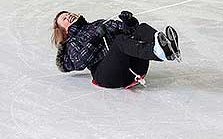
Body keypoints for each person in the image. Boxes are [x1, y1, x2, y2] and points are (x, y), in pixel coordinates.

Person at [52, 10, 180, 88]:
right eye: (64, 18)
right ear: (63, 30)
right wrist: (95, 38)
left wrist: (129, 22)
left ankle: (168, 50)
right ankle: (156, 52)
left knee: (141, 28)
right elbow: (79, 62)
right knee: (119, 42)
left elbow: (130, 32)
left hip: (133, 69)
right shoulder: (72, 42)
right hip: (107, 77)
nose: (68, 15)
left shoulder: (99, 23)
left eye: (68, 13)